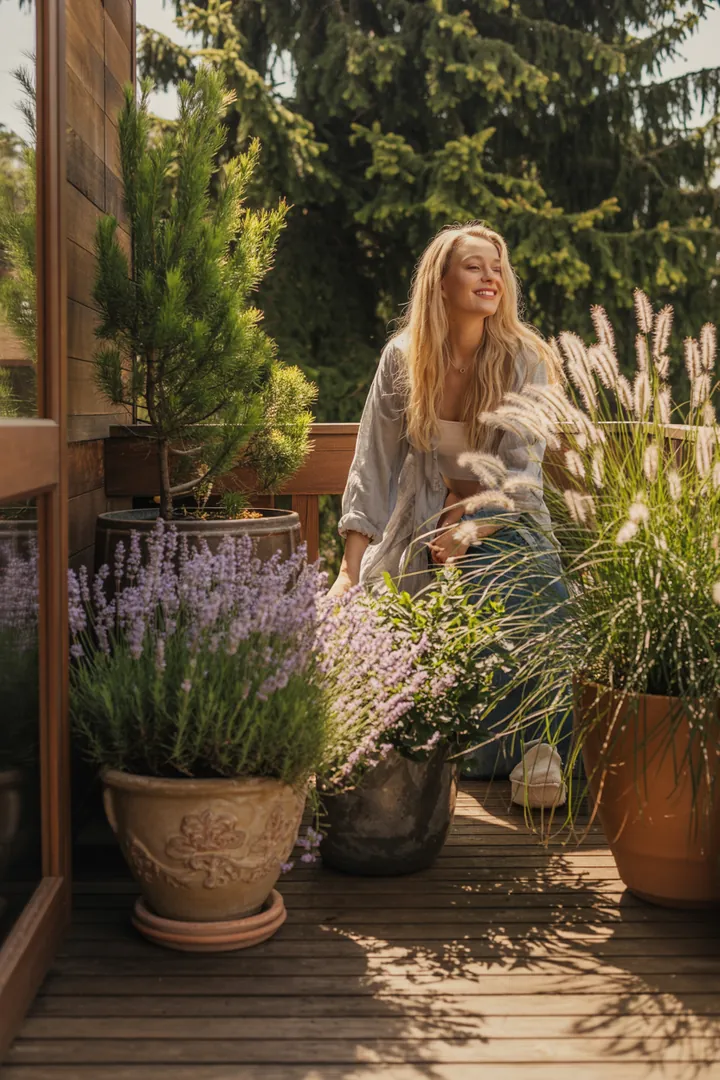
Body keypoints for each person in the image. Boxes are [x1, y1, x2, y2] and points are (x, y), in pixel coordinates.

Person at [329, 221, 570, 802]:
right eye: (473, 266)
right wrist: (348, 568)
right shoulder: (403, 358)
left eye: (496, 268)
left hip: (504, 518)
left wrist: (471, 525)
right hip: (421, 521)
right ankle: (409, 756)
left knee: (532, 589)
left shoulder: (522, 358)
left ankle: (536, 755)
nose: (490, 277)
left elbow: (522, 478)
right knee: (372, 614)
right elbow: (373, 464)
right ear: (440, 282)